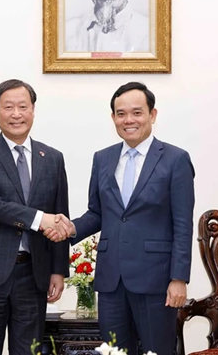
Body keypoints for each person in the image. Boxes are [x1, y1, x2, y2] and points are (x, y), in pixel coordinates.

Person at [46, 82, 195, 355]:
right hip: (111, 280)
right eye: (121, 113)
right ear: (113, 117)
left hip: (156, 280)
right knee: (114, 352)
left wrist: (179, 278)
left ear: (152, 115)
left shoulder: (175, 159)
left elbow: (183, 224)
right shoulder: (103, 158)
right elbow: (97, 213)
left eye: (137, 112)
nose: (129, 120)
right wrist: (70, 228)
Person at [0, 79, 70, 355]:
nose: (16, 114)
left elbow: (60, 213)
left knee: (29, 351)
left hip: (33, 274)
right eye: (8, 107)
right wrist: (39, 219)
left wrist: (58, 270)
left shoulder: (53, 158)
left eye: (23, 107)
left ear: (33, 110)